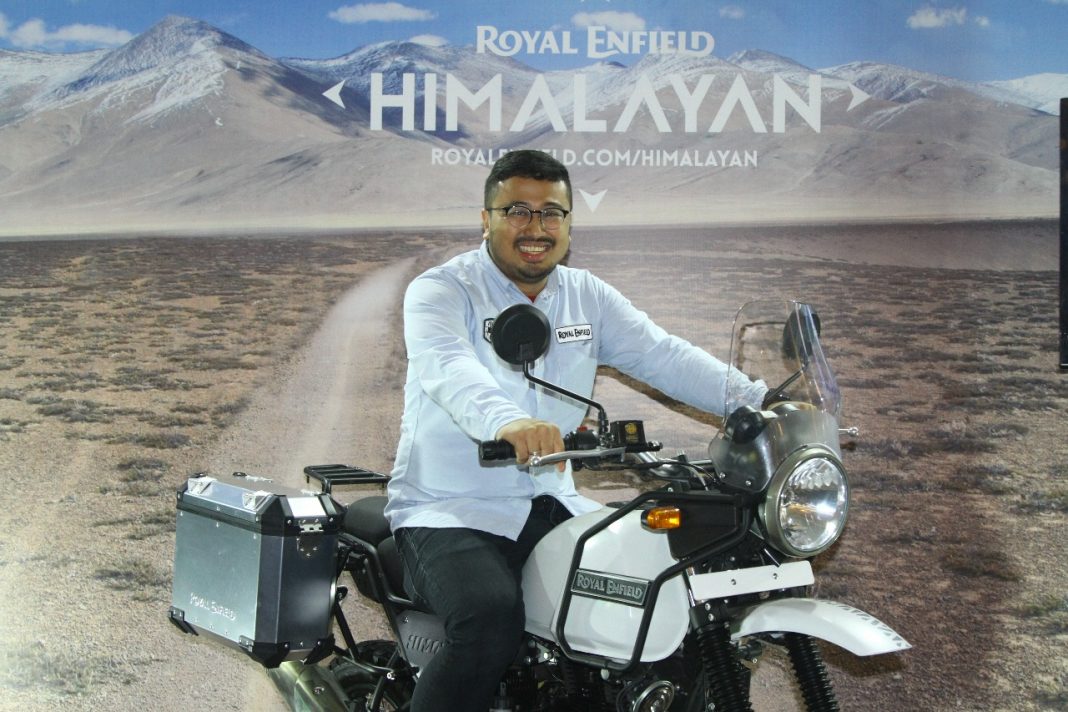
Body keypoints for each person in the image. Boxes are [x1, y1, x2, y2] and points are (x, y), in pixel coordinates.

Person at [384, 149, 766, 711]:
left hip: (551, 500)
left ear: (568, 223)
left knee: (649, 596)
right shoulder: (442, 290)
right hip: (449, 509)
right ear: (486, 219)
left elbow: (664, 356)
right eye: (517, 211)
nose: (535, 228)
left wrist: (761, 402)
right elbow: (450, 368)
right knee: (489, 618)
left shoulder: (587, 296)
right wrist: (508, 421)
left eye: (551, 213)